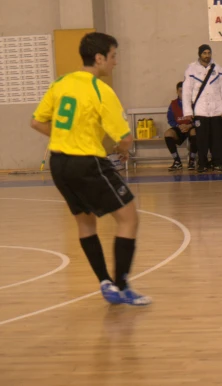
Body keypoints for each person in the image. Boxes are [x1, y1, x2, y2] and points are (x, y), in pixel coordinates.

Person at [30, 32, 150, 305]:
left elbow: (36, 122)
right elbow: (125, 138)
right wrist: (122, 150)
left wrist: (65, 137)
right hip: (87, 162)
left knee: (85, 222)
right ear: (99, 58)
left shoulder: (61, 83)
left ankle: (105, 282)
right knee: (129, 218)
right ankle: (121, 286)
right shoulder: (101, 90)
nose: (115, 62)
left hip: (59, 164)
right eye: (113, 56)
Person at [182, 44, 222, 173]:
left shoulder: (219, 69)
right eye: (204, 53)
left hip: (217, 110)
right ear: (200, 54)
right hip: (200, 110)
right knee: (201, 139)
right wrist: (188, 111)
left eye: (209, 53)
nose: (207, 55)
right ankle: (202, 163)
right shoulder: (191, 70)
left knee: (218, 139)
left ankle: (218, 163)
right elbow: (186, 92)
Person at [164, 81, 198, 171]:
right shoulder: (173, 104)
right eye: (180, 91)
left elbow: (199, 120)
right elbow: (170, 120)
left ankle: (192, 160)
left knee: (195, 132)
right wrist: (178, 126)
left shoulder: (194, 103)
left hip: (191, 127)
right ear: (177, 92)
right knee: (168, 133)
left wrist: (190, 125)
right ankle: (177, 161)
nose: (182, 93)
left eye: (184, 91)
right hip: (179, 128)